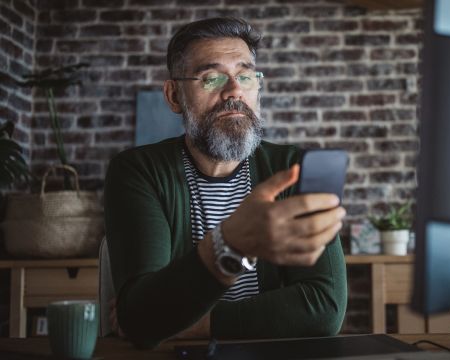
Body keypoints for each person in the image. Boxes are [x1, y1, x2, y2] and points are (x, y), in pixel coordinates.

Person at [104, 17, 348, 350]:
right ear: (174, 95)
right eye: (211, 77)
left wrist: (195, 325)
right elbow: (142, 317)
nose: (234, 90)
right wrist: (231, 243)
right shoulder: (138, 171)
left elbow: (324, 309)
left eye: (245, 76)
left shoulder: (294, 169)